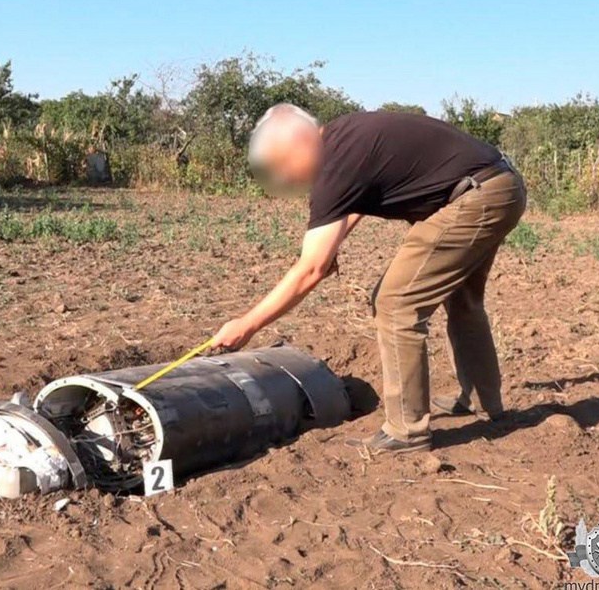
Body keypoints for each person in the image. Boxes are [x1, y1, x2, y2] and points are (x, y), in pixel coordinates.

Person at [210, 104, 526, 454]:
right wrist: (333, 246)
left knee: (395, 302)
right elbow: (361, 197)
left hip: (474, 196)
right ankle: (485, 402)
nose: (286, 178)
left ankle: (407, 431)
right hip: (498, 186)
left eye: (285, 164)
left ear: (301, 140)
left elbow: (310, 270)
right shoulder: (345, 139)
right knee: (463, 301)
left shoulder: (333, 163)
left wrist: (246, 325)